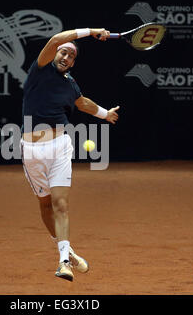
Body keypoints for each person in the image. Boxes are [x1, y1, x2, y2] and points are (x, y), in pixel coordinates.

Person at [20, 27, 120, 281]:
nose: (66, 58)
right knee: (44, 205)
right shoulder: (40, 69)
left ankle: (63, 262)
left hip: (60, 147)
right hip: (32, 151)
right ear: (55, 54)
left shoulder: (70, 83)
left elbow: (81, 103)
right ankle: (67, 250)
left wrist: (105, 113)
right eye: (63, 53)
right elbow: (55, 39)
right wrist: (92, 31)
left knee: (61, 205)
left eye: (71, 57)